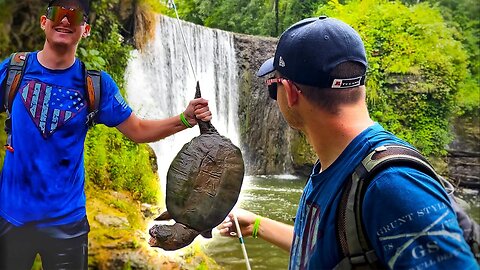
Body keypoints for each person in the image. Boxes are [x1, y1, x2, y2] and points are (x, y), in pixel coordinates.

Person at [217, 16, 478, 269]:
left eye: (273, 87)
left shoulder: (393, 185)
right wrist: (259, 226)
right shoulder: (336, 165)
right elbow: (331, 251)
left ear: (292, 92)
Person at [0, 0, 212, 269]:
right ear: (45, 22)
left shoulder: (96, 85)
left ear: (85, 29)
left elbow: (137, 130)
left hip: (67, 226)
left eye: (75, 16)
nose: (66, 20)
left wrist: (185, 119)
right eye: (59, 13)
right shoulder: (15, 69)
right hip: (11, 219)